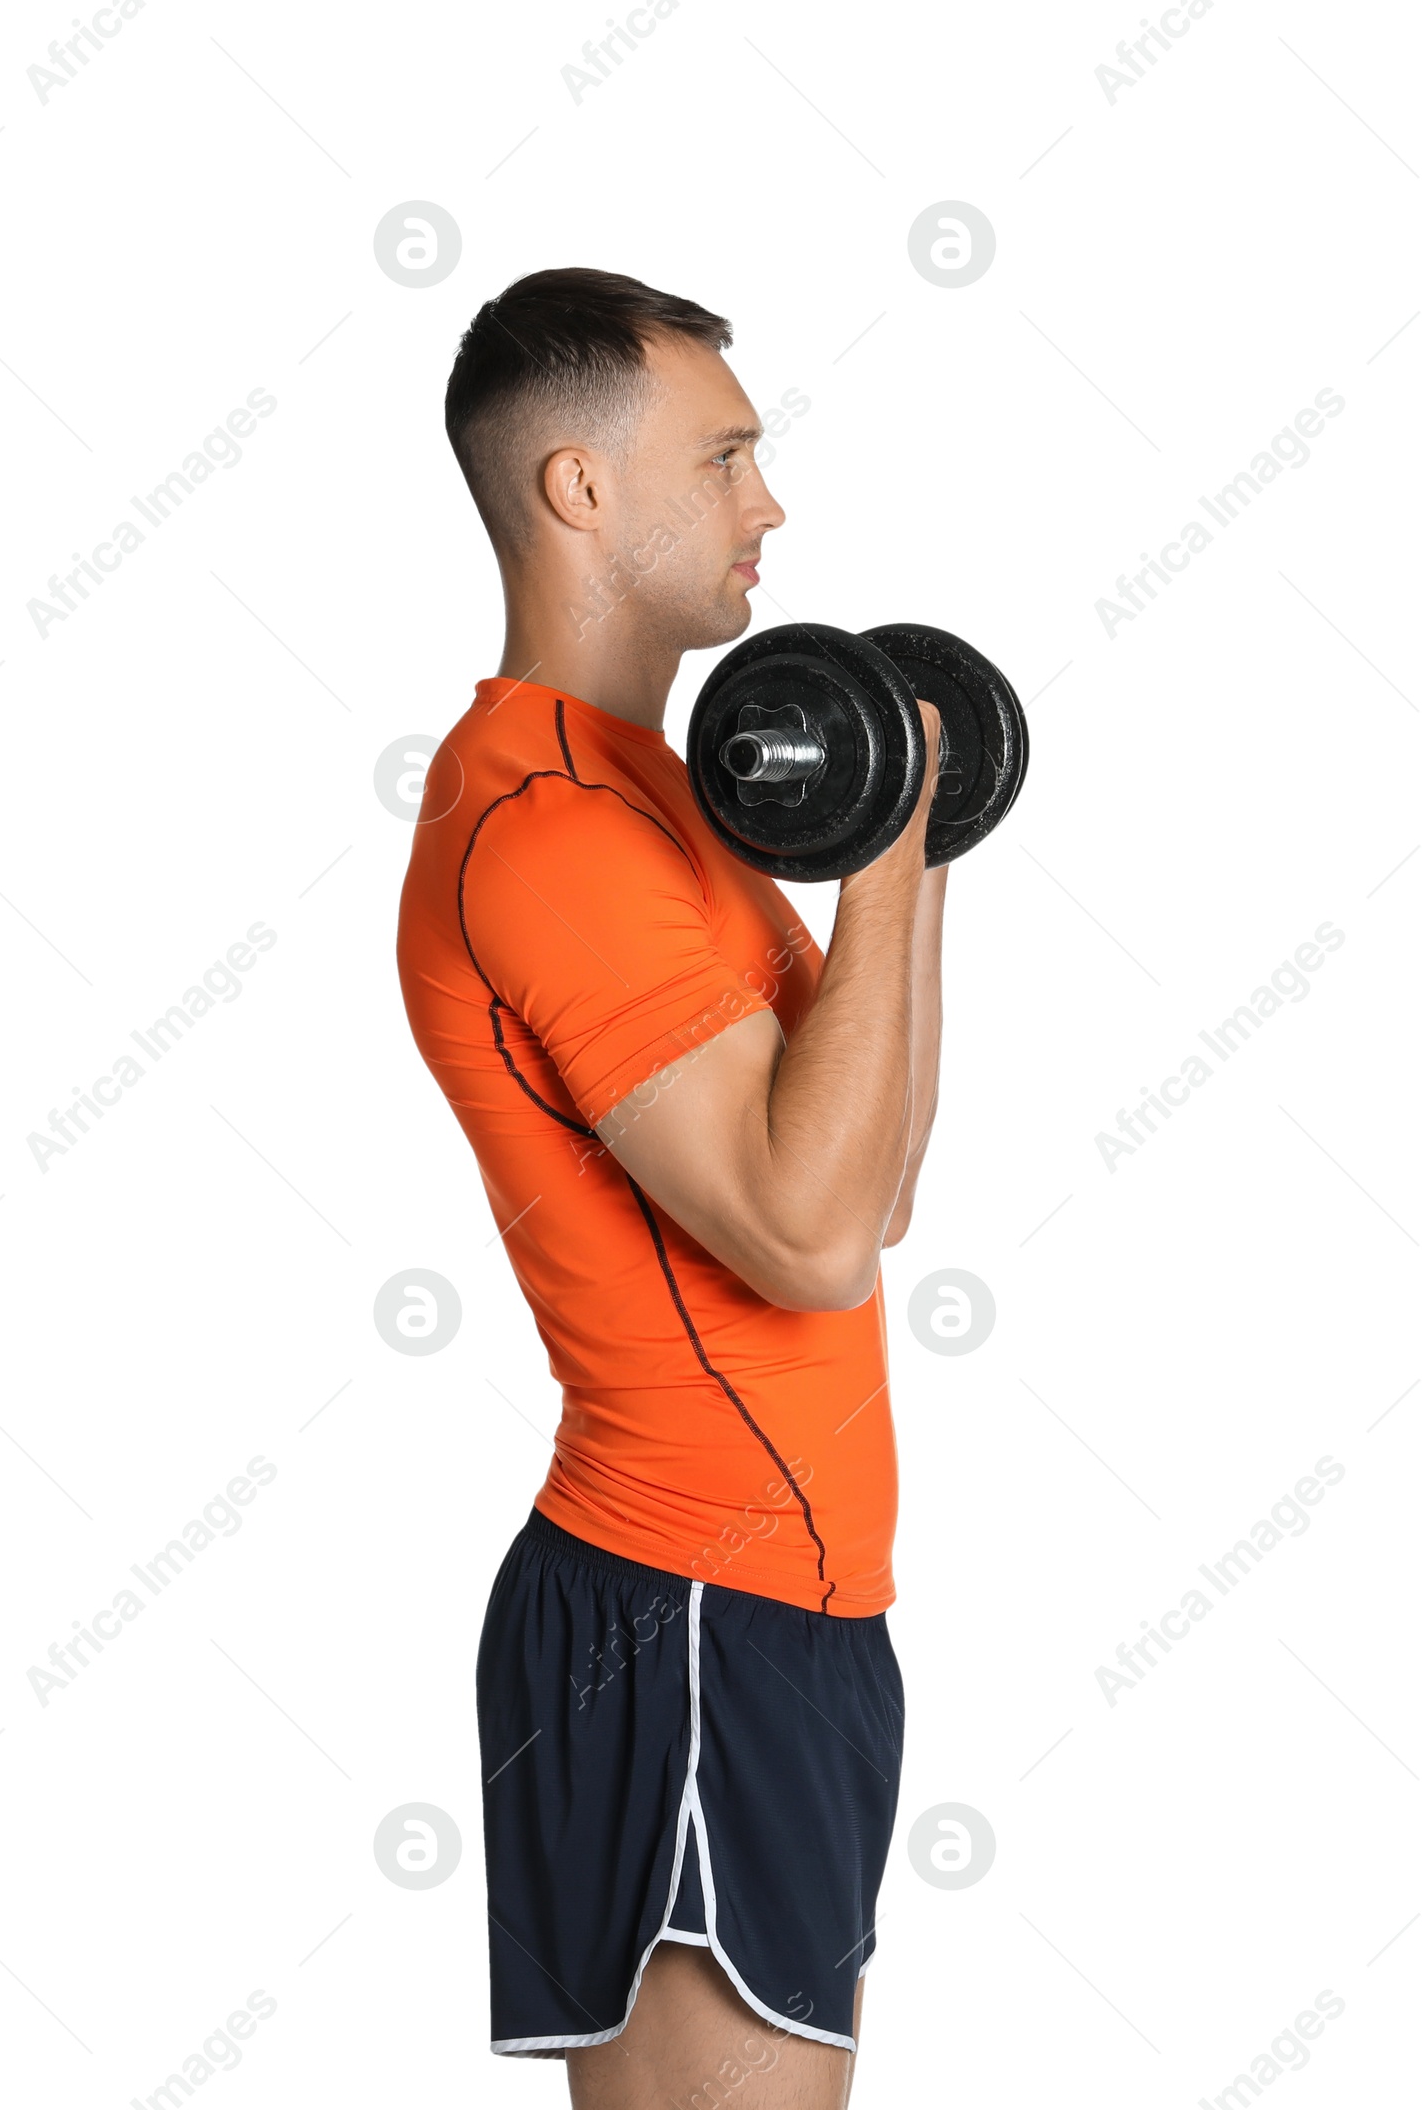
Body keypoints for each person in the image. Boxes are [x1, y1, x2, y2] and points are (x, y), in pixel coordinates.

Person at [396, 267, 947, 2109]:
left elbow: (872, 1188)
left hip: (778, 1604)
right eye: (724, 458)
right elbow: (802, 1241)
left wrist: (907, 845)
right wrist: (876, 864)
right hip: (686, 1605)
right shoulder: (554, 834)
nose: (767, 505)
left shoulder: (656, 806)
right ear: (578, 490)